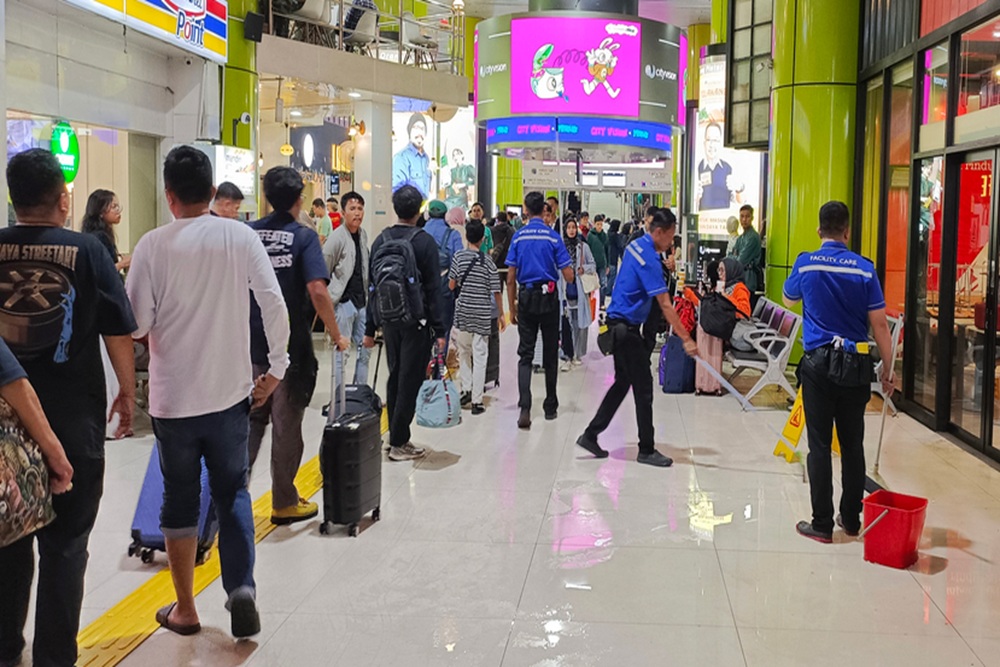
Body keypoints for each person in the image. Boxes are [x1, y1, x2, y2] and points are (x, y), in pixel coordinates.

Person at [126, 146, 290, 639]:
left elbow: (136, 324)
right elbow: (272, 302)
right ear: (213, 188)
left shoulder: (153, 246)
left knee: (179, 499)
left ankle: (185, 610)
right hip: (229, 397)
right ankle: (241, 588)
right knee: (232, 490)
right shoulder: (238, 237)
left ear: (169, 194)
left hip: (173, 402)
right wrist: (277, 367)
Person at [0, 149, 136, 666]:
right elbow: (116, 328)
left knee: (8, 546)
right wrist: (127, 392)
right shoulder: (87, 250)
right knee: (65, 549)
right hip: (74, 424)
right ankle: (55, 658)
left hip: (3, 436)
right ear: (63, 198)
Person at [782, 201, 894, 544]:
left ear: (819, 231)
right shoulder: (864, 269)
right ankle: (850, 519)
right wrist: (889, 373)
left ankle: (821, 524)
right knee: (852, 444)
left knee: (818, 445)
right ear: (847, 232)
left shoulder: (806, 263)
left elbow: (788, 300)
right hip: (856, 365)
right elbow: (880, 326)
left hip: (818, 365)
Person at [247, 168, 349, 526]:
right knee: (286, 423)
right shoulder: (303, 238)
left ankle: (229, 498)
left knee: (249, 422)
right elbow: (318, 291)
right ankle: (285, 501)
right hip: (290, 349)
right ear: (299, 200)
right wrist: (336, 335)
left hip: (248, 346)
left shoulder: (247, 232)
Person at [576, 211, 698, 467]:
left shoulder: (636, 246)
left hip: (617, 326)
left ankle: (590, 434)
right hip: (626, 331)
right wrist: (686, 339)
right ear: (659, 232)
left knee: (622, 384)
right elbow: (665, 304)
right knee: (643, 390)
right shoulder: (650, 261)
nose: (671, 242)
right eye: (670, 236)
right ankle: (646, 449)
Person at [363, 186, 446, 461]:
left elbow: (372, 286)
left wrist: (369, 326)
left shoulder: (380, 239)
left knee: (396, 374)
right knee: (410, 379)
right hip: (416, 321)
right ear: (418, 210)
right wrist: (440, 328)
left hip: (389, 320)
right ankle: (399, 441)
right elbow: (434, 288)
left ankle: (395, 436)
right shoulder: (423, 242)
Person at [506, 191, 575, 429]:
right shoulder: (554, 238)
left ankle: (525, 406)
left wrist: (511, 308)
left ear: (525, 209)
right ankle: (550, 406)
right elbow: (569, 274)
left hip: (525, 298)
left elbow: (510, 277)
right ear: (544, 210)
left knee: (525, 354)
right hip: (549, 299)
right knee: (549, 353)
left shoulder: (518, 237)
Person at [449, 219, 505, 415]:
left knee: (463, 352)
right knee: (480, 355)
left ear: (466, 236)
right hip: (482, 312)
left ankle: (466, 389)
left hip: (463, 311)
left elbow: (451, 285)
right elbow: (496, 291)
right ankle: (477, 401)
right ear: (483, 239)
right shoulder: (487, 261)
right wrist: (500, 315)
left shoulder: (458, 257)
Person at [324, 191, 372, 405]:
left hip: (362, 303)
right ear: (343, 212)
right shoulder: (337, 237)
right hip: (344, 303)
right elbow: (324, 268)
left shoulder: (362, 235)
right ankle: (339, 399)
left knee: (365, 351)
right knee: (341, 353)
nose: (357, 213)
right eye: (352, 209)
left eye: (360, 208)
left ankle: (359, 395)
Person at [425, 200, 464, 352]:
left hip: (422, 291)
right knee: (443, 330)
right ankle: (438, 370)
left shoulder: (420, 232)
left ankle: (424, 368)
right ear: (445, 215)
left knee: (424, 330)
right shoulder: (453, 235)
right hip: (444, 291)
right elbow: (459, 263)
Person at [561, 219, 597, 369]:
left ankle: (577, 353)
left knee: (579, 325)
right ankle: (566, 353)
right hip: (565, 289)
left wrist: (585, 269)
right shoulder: (560, 247)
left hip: (579, 289)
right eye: (568, 227)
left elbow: (593, 265)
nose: (571, 230)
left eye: (573, 227)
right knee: (566, 324)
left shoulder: (583, 247)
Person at [81, 188, 131, 272]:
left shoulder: (102, 234)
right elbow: (101, 273)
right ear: (100, 212)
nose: (118, 211)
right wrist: (123, 264)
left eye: (118, 206)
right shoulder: (98, 237)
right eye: (114, 207)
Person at [696, 122, 743, 210]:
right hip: (703, 221)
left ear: (720, 144)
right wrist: (696, 197)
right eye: (709, 140)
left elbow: (740, 202)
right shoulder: (697, 167)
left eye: (715, 140)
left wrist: (739, 188)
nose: (711, 145)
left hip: (722, 221)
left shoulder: (728, 168)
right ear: (704, 143)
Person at [392, 113, 431, 199]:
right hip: (409, 211)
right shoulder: (401, 158)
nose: (419, 132)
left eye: (422, 128)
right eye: (415, 128)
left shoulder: (426, 159)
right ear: (409, 132)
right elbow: (397, 192)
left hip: (424, 210)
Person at [730, 204, 762, 296]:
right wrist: (734, 257)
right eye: (742, 216)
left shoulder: (753, 237)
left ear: (752, 218)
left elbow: (741, 260)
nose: (744, 219)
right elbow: (730, 256)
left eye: (747, 216)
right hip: (740, 282)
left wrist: (735, 257)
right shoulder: (740, 238)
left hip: (748, 282)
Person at [587, 214, 610, 303]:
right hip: (592, 265)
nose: (600, 226)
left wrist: (608, 264)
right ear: (594, 224)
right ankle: (593, 302)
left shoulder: (604, 236)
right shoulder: (590, 235)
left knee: (603, 284)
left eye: (601, 224)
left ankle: (601, 302)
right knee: (593, 284)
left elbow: (607, 250)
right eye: (598, 224)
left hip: (602, 264)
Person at [490, 211, 515, 292]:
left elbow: (486, 226)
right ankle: (512, 303)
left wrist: (492, 220)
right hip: (509, 261)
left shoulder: (493, 230)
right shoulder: (511, 230)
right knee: (510, 286)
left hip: (497, 261)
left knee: (497, 290)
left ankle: (498, 304)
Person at [606, 219, 623, 296]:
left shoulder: (608, 234)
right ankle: (609, 290)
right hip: (614, 256)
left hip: (607, 256)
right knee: (613, 275)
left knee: (608, 275)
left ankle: (606, 289)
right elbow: (620, 246)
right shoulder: (616, 236)